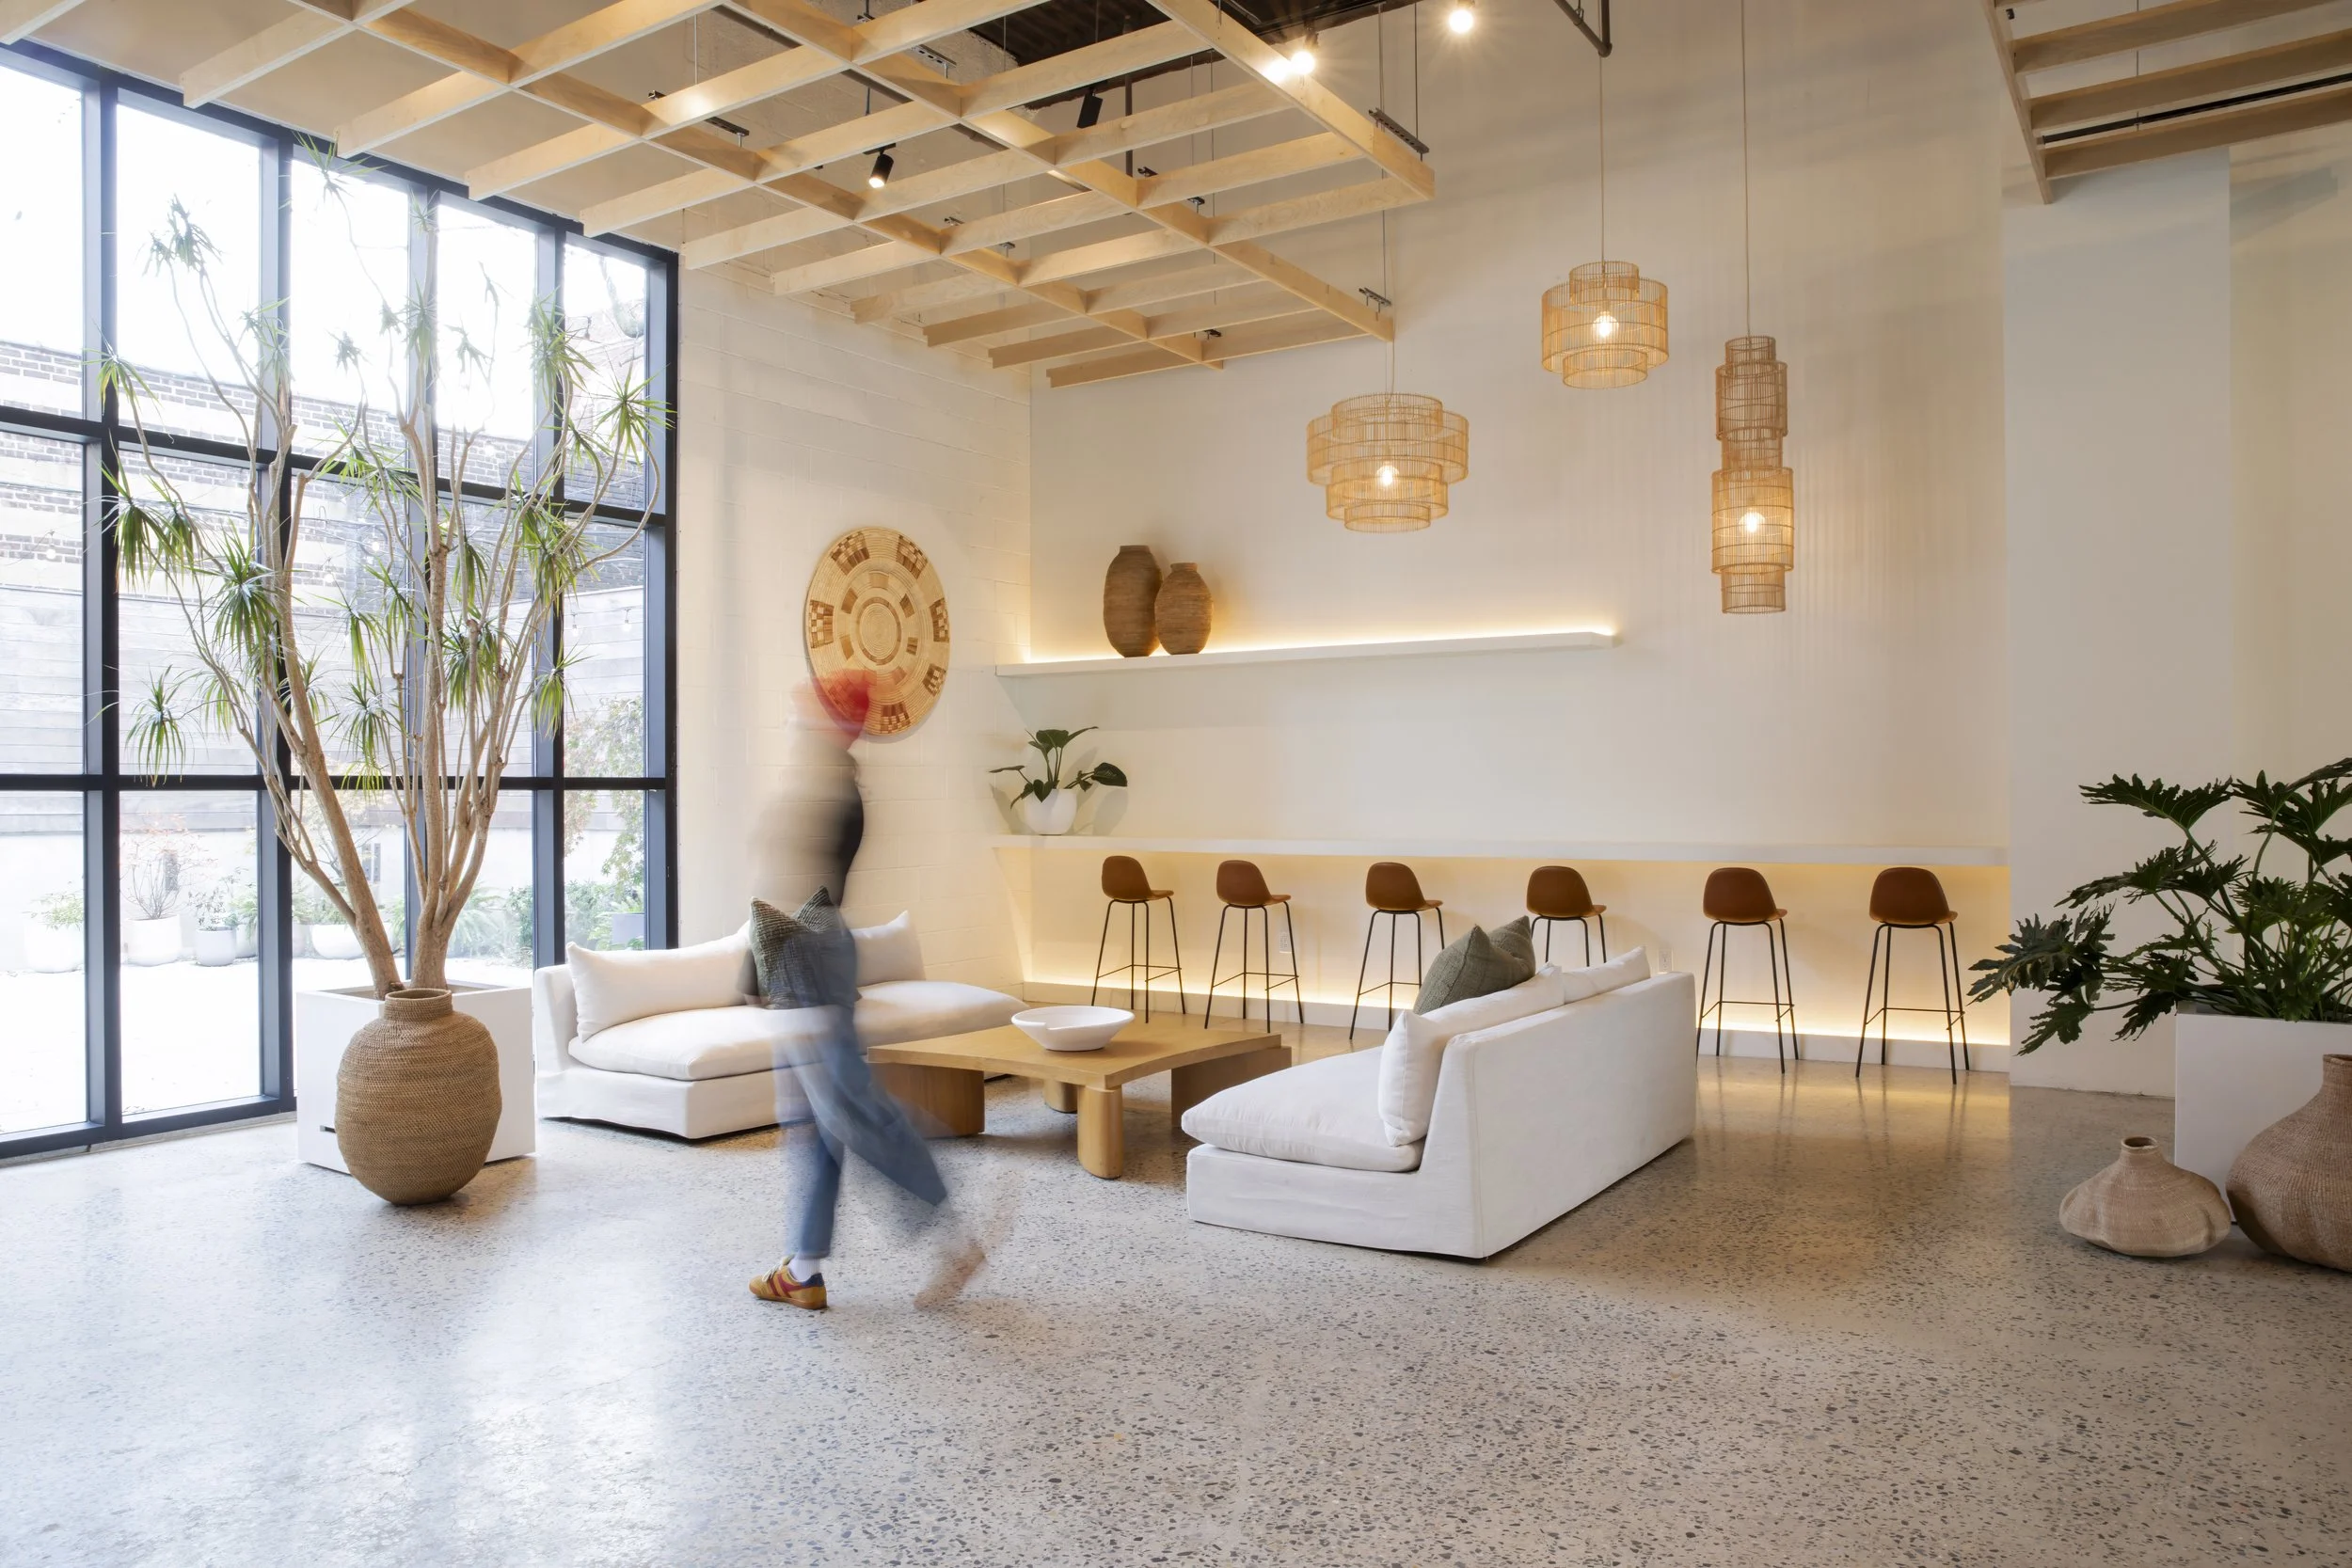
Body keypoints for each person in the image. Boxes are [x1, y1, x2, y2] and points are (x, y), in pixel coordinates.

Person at [749, 671, 985, 1312]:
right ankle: (804, 1267)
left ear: (830, 719)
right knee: (816, 1124)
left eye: (810, 708)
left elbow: (795, 888)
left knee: (850, 1111)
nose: (798, 716)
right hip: (802, 956)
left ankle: (954, 1236)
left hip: (806, 956)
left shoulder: (827, 788)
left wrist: (780, 980)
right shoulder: (827, 778)